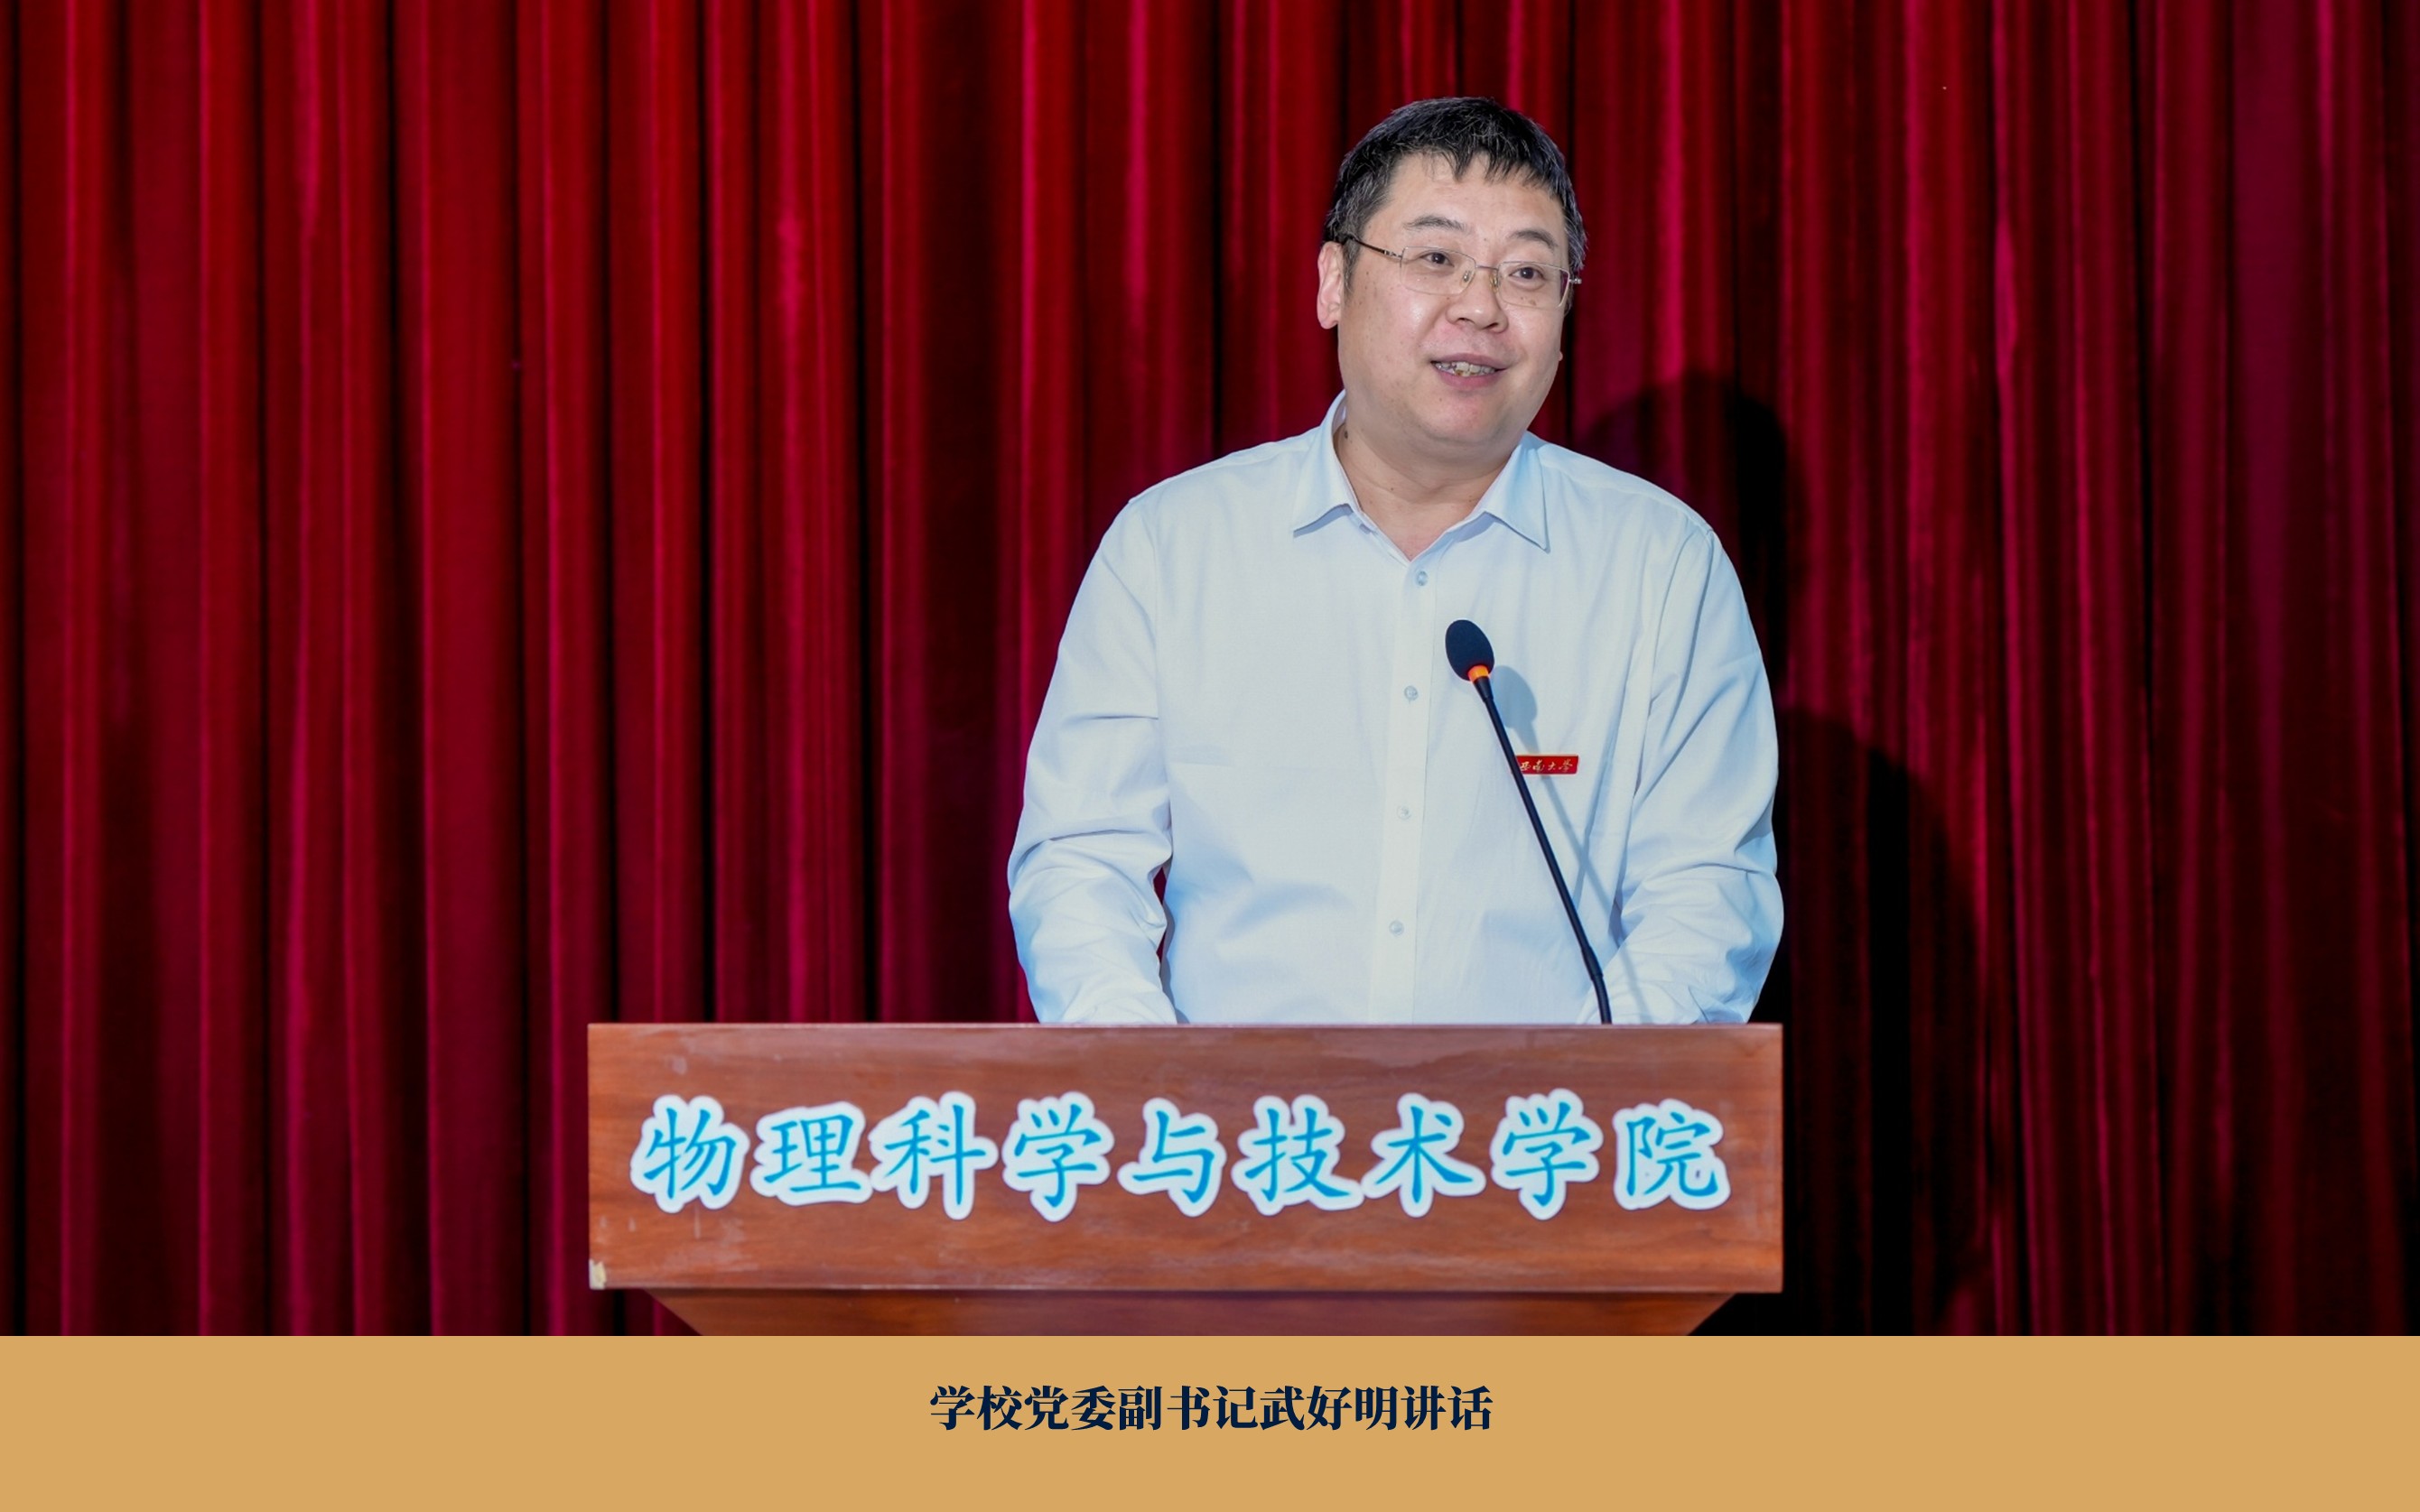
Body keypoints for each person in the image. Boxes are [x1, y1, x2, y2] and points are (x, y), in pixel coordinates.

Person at [1008, 97, 1779, 1025]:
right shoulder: (1173, 548)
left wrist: (1587, 1099)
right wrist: (1160, 1088)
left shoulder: (1662, 568)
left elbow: (1707, 895)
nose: (1481, 307)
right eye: (1436, 258)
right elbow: (1081, 862)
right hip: (1238, 1115)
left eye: (1527, 273)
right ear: (1334, 282)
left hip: (1547, 1117)